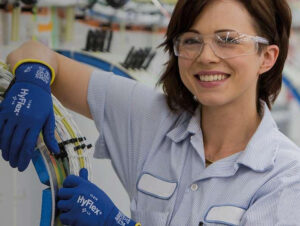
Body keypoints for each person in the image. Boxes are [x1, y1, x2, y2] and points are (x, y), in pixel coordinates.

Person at [1, 0, 300, 225]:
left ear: (267, 57)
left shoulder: (285, 177)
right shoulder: (151, 119)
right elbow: (32, 51)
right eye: (191, 40)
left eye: (228, 40)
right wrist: (33, 77)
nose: (206, 56)